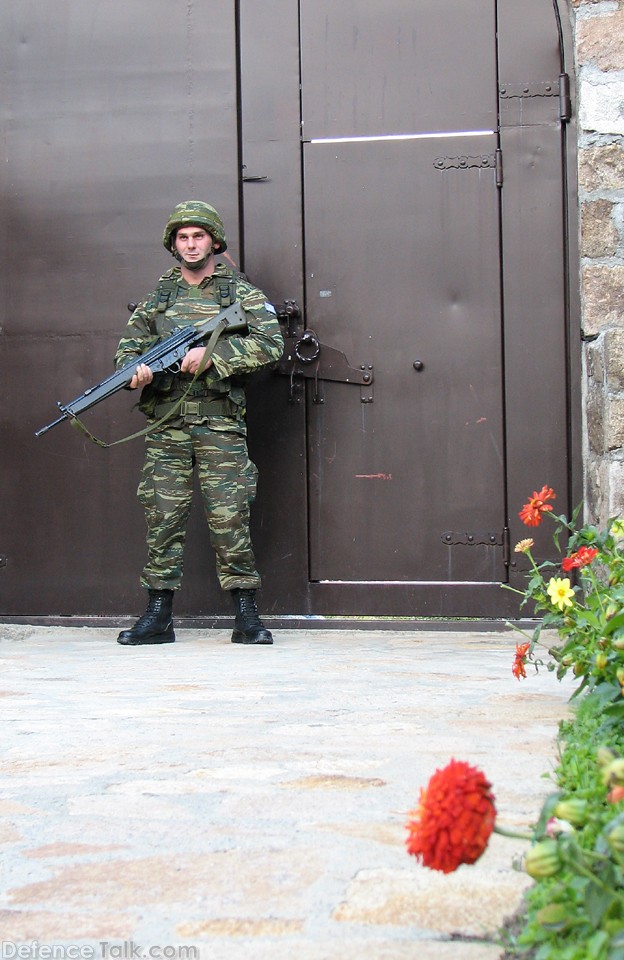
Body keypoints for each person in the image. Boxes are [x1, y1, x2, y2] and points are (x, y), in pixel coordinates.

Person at [114, 200, 283, 647]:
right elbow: (128, 350)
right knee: (162, 515)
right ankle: (158, 616)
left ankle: (246, 616)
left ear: (213, 241)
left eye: (199, 236)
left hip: (220, 424)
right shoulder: (159, 297)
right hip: (167, 428)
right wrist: (136, 373)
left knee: (230, 516)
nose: (191, 245)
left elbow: (271, 344)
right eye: (183, 238)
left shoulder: (240, 295)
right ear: (174, 244)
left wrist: (212, 357)